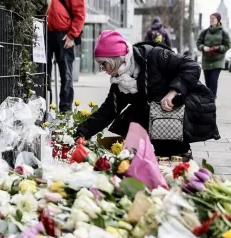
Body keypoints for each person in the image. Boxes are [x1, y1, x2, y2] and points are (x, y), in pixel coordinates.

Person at [75, 30, 220, 158]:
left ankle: (179, 155)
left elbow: (192, 66)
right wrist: (79, 134)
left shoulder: (155, 56)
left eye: (104, 63)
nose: (103, 69)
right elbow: (107, 111)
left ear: (115, 59)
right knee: (135, 117)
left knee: (159, 133)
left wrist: (173, 91)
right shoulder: (121, 81)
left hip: (187, 104)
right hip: (159, 114)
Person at [47, 0, 85, 112]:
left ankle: (65, 110)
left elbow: (79, 13)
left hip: (64, 33)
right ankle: (43, 107)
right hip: (44, 31)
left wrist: (72, 35)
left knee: (66, 73)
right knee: (43, 73)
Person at [197, 12, 230, 99]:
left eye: (213, 18)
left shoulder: (223, 33)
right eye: (210, 18)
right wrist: (203, 47)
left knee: (213, 79)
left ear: (218, 20)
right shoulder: (205, 32)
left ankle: (212, 98)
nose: (211, 20)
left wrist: (219, 48)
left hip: (218, 60)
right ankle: (209, 96)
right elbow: (198, 43)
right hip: (206, 60)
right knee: (207, 81)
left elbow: (228, 45)